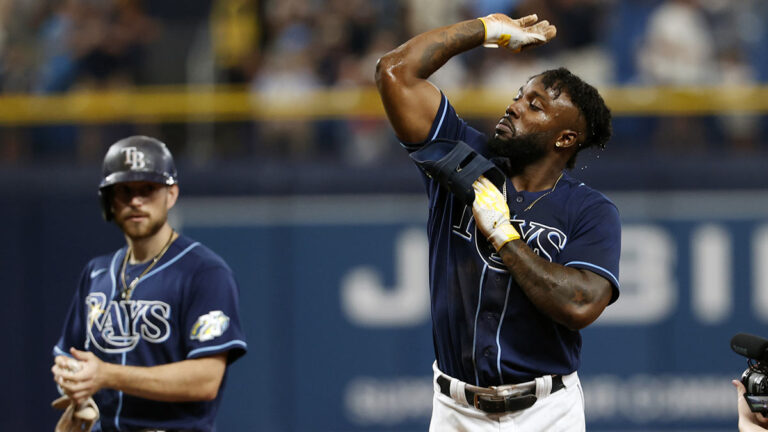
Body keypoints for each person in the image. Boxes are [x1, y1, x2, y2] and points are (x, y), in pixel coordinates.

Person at [375, 12, 619, 431]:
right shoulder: (463, 158)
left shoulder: (589, 211)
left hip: (546, 412)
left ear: (564, 139)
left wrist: (505, 238)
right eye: (519, 95)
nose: (514, 105)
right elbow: (394, 71)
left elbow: (580, 304)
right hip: (455, 410)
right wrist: (485, 30)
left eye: (534, 105)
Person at [50, 136, 247, 432]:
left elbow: (205, 380)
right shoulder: (97, 273)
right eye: (124, 191)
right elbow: (68, 355)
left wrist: (105, 375)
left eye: (148, 189)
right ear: (108, 200)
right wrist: (73, 382)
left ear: (171, 194)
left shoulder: (204, 272)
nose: (136, 201)